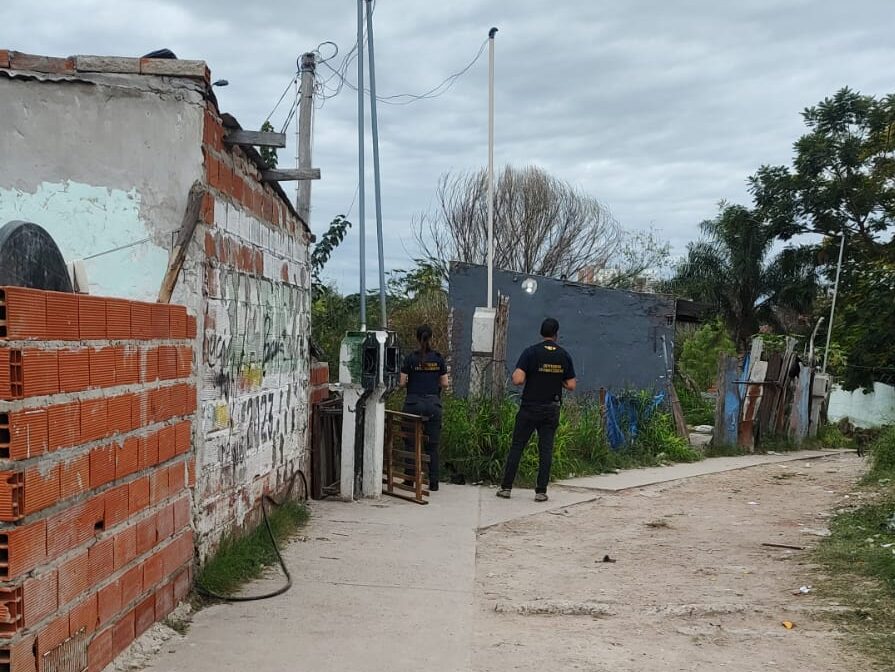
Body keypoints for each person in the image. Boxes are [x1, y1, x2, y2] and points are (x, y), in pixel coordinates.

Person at [497, 318, 576, 502]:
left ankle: (506, 488)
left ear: (541, 333)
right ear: (556, 334)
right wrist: (557, 379)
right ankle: (541, 491)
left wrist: (531, 374)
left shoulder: (530, 353)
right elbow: (571, 385)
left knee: (517, 446)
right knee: (545, 450)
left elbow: (518, 380)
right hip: (551, 408)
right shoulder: (564, 355)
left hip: (530, 407)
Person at [399, 325, 449, 491]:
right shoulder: (438, 359)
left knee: (410, 443)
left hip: (413, 404)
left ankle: (409, 479)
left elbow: (401, 382)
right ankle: (433, 482)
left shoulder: (410, 359)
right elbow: (445, 383)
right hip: (433, 405)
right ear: (431, 338)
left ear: (417, 338)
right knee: (432, 446)